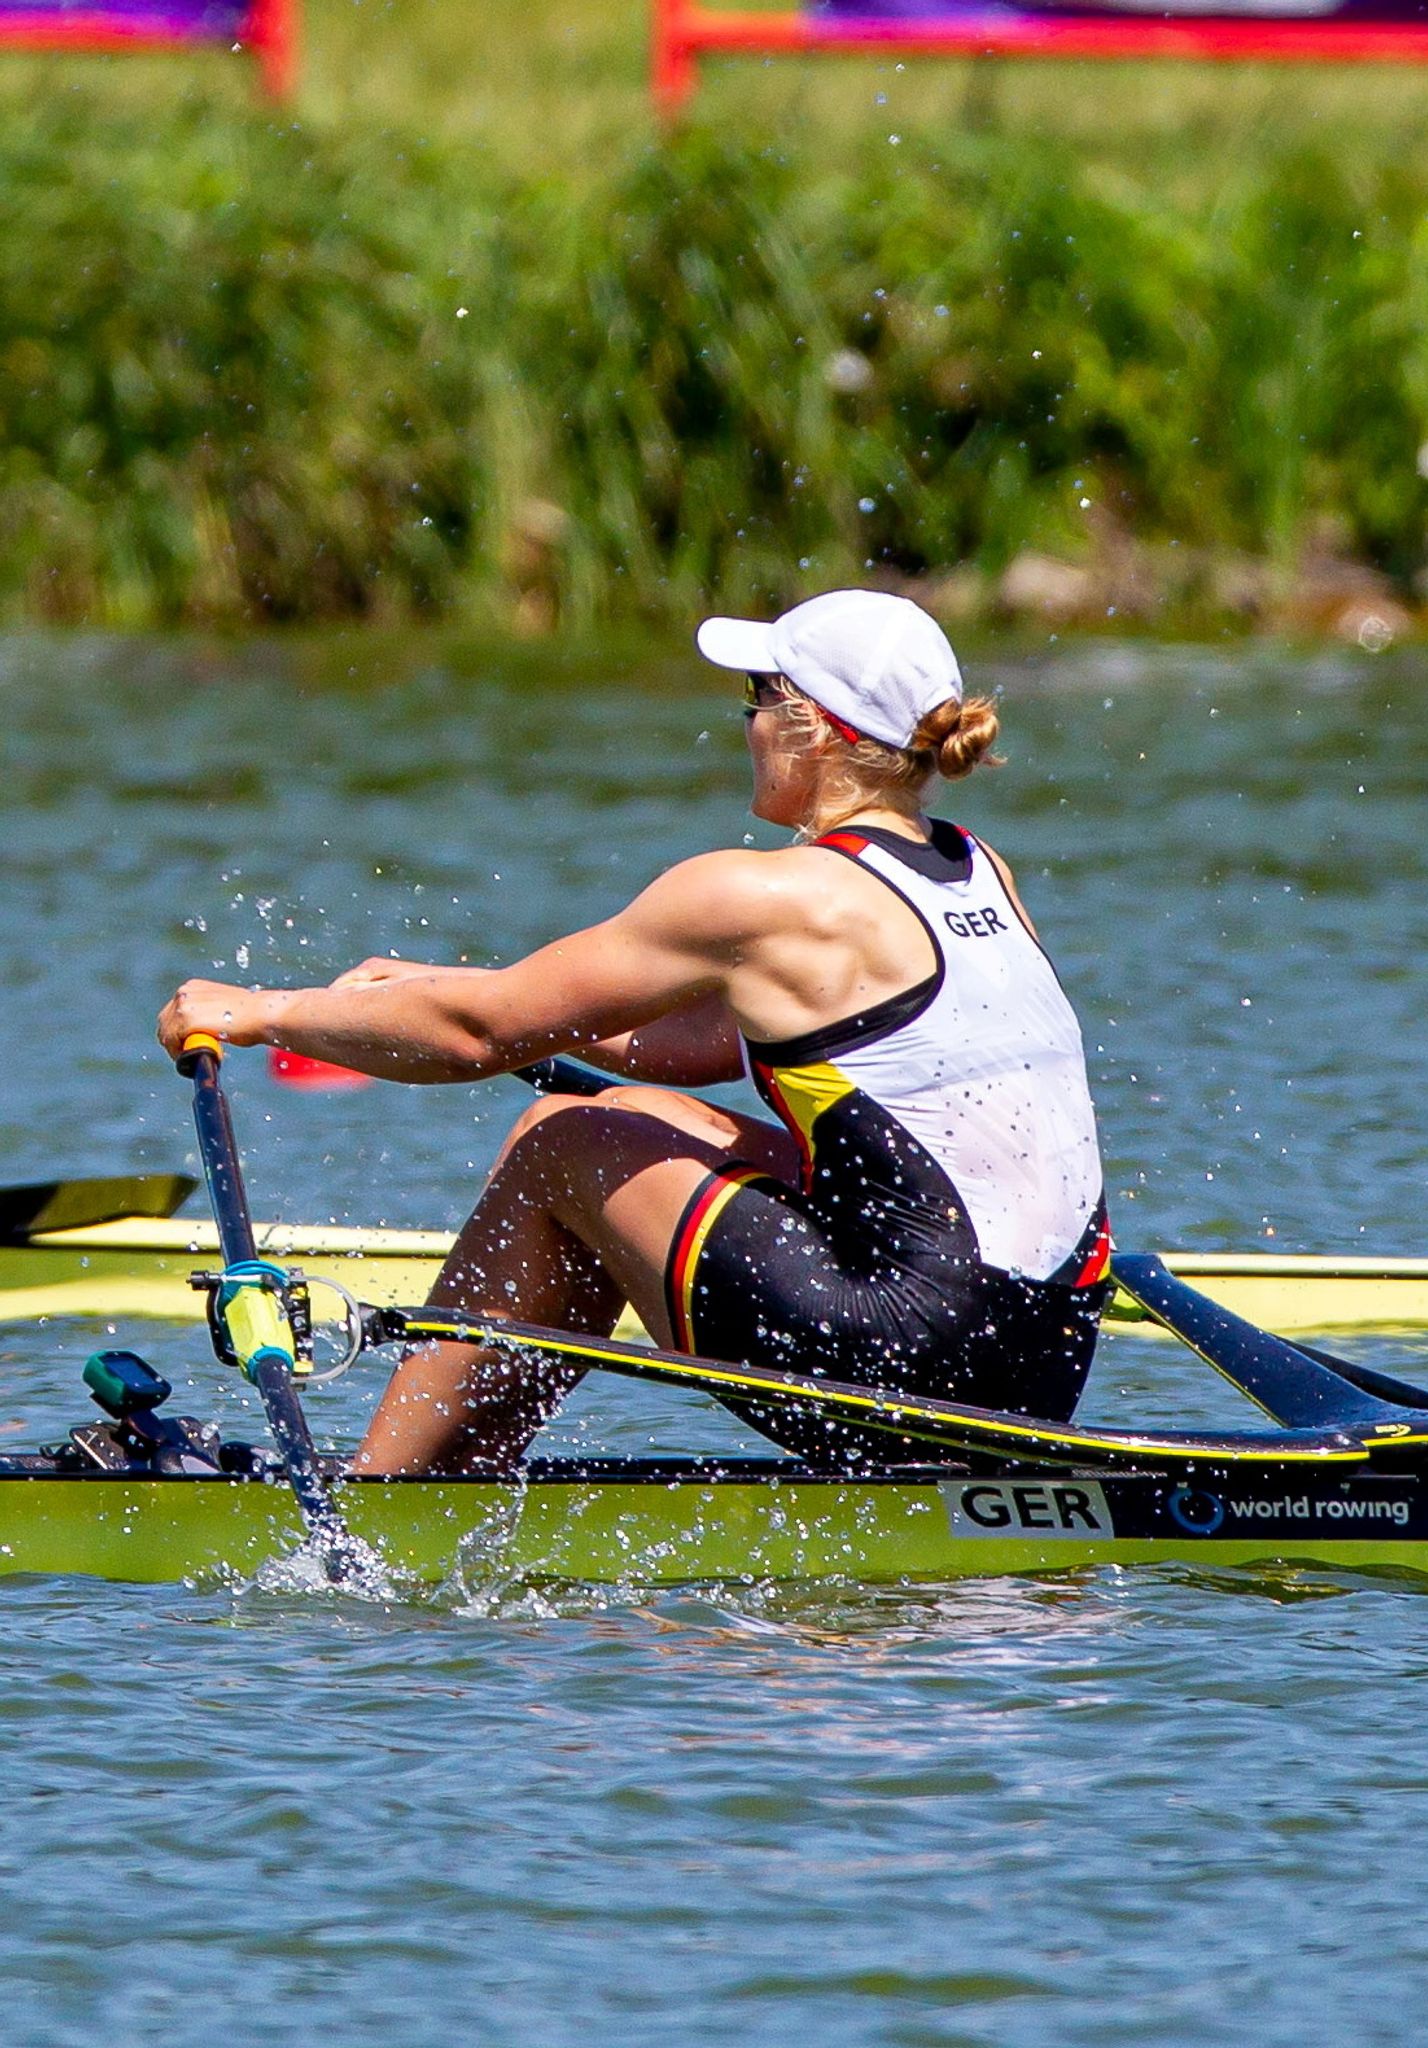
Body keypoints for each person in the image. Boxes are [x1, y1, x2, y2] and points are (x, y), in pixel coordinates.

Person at [157, 589, 1108, 1475]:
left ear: (813, 727)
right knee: (648, 1111)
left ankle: (393, 1495)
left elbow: (473, 1041)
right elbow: (678, 1045)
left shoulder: (759, 893)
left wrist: (261, 1013)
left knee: (561, 1141)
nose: (744, 725)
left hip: (918, 1363)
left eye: (756, 699)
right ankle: (453, 1466)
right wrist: (446, 986)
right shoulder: (974, 867)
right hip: (1040, 1359)